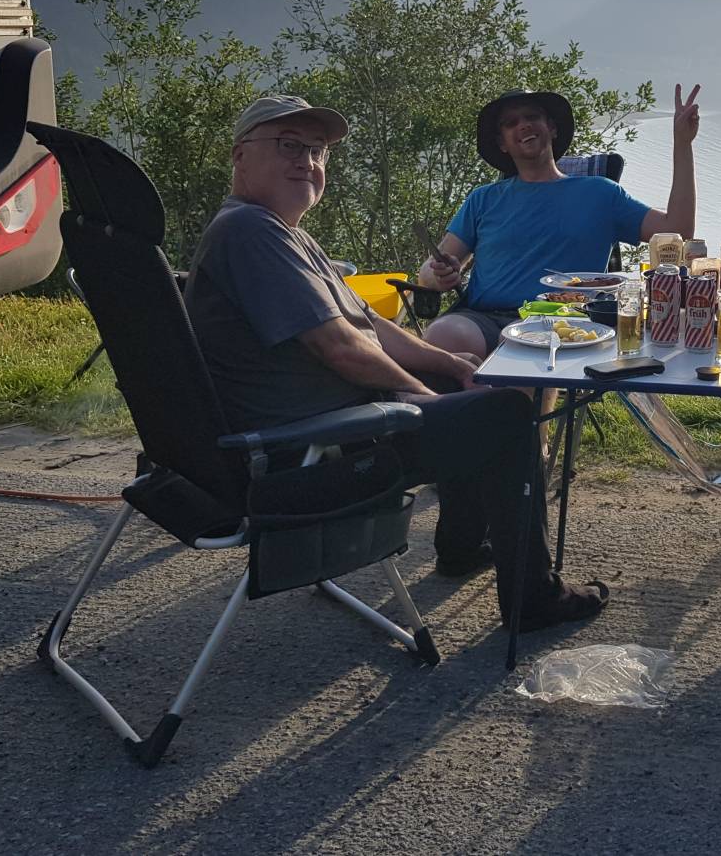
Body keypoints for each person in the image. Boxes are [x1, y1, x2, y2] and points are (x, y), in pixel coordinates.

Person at [184, 94, 607, 629]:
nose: (307, 162)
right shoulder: (249, 231)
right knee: (505, 414)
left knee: (463, 385)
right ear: (241, 155)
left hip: (322, 420)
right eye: (289, 146)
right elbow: (340, 347)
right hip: (305, 449)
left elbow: (370, 325)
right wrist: (421, 393)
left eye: (317, 152)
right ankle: (534, 599)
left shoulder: (282, 232)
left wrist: (449, 364)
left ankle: (460, 547)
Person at [416, 84, 702, 356]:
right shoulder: (484, 199)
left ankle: (495, 389)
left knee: (525, 348)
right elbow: (428, 273)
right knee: (443, 333)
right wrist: (438, 275)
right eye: (511, 123)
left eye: (532, 117)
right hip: (484, 318)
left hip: (566, 321)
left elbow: (677, 231)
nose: (523, 125)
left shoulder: (600, 194)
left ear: (551, 128)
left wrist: (683, 143)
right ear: (502, 143)